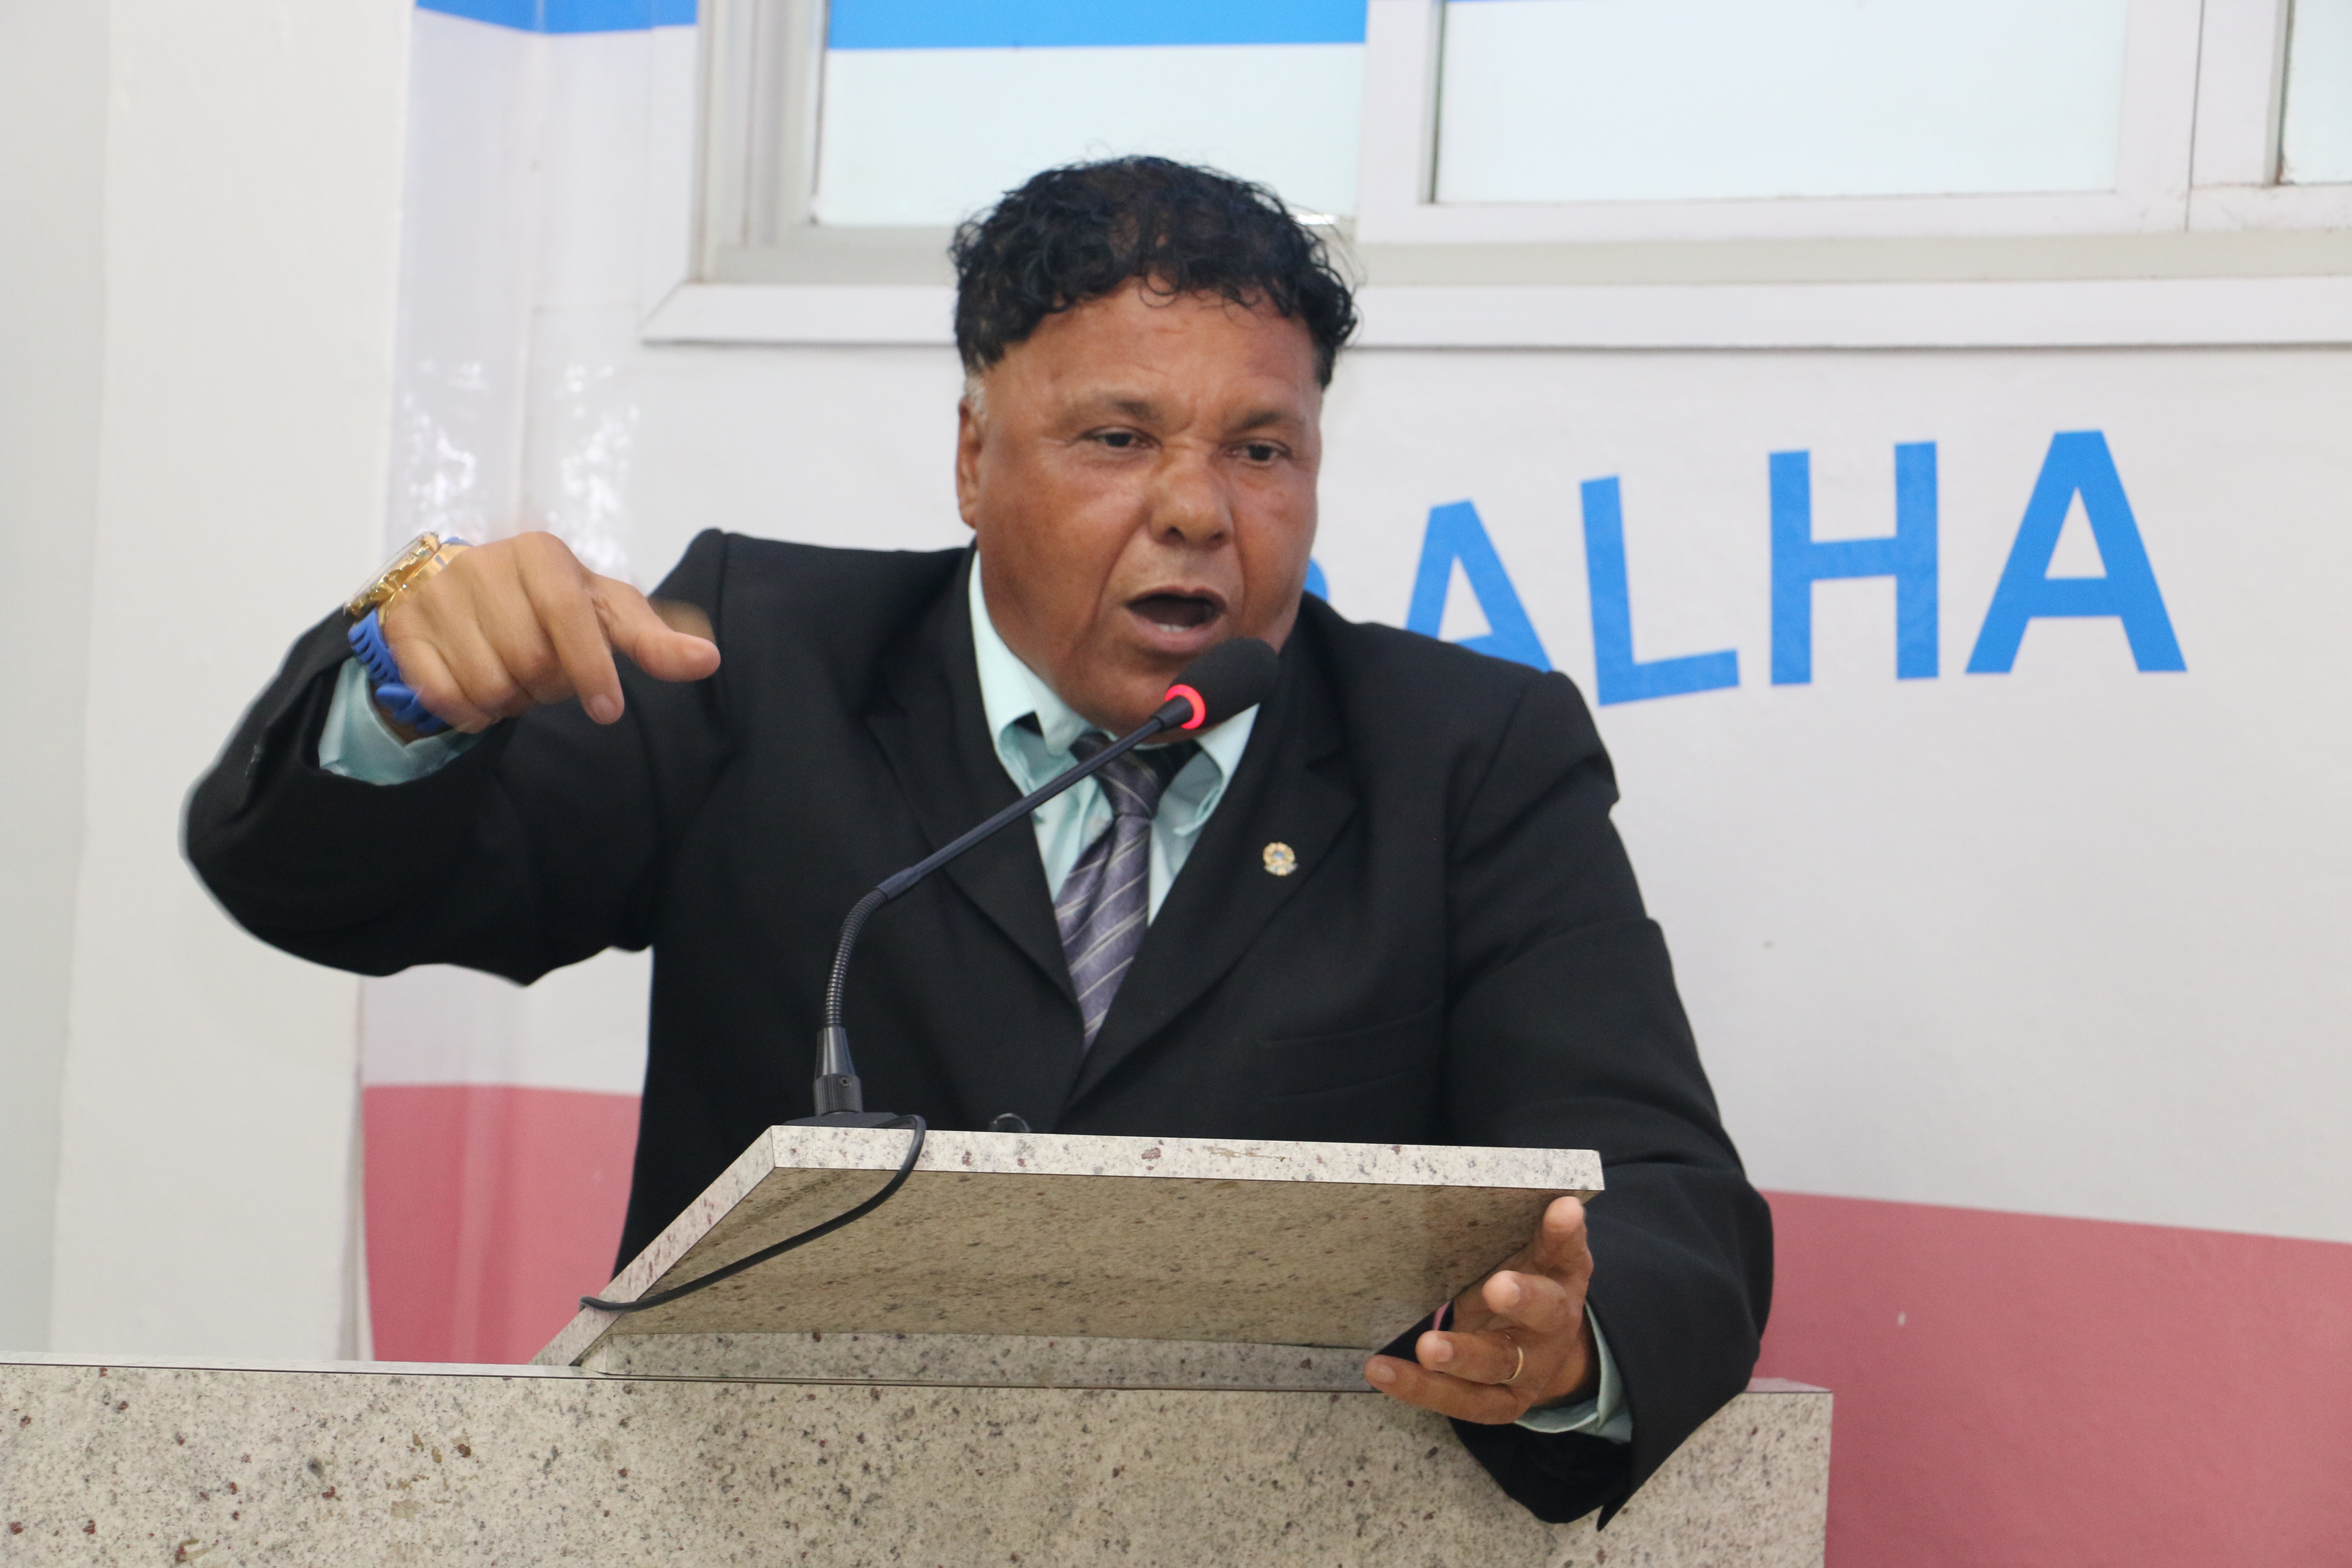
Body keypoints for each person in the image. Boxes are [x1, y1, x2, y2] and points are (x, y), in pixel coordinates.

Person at [186, 157, 1770, 1525]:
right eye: (1118, 437)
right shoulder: (762, 661)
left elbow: (1666, 1199)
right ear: (971, 455)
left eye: (1261, 449)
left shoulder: (1466, 756)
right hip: (765, 1523)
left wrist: (1568, 1345)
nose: (1199, 510)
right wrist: (403, 697)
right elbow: (335, 889)